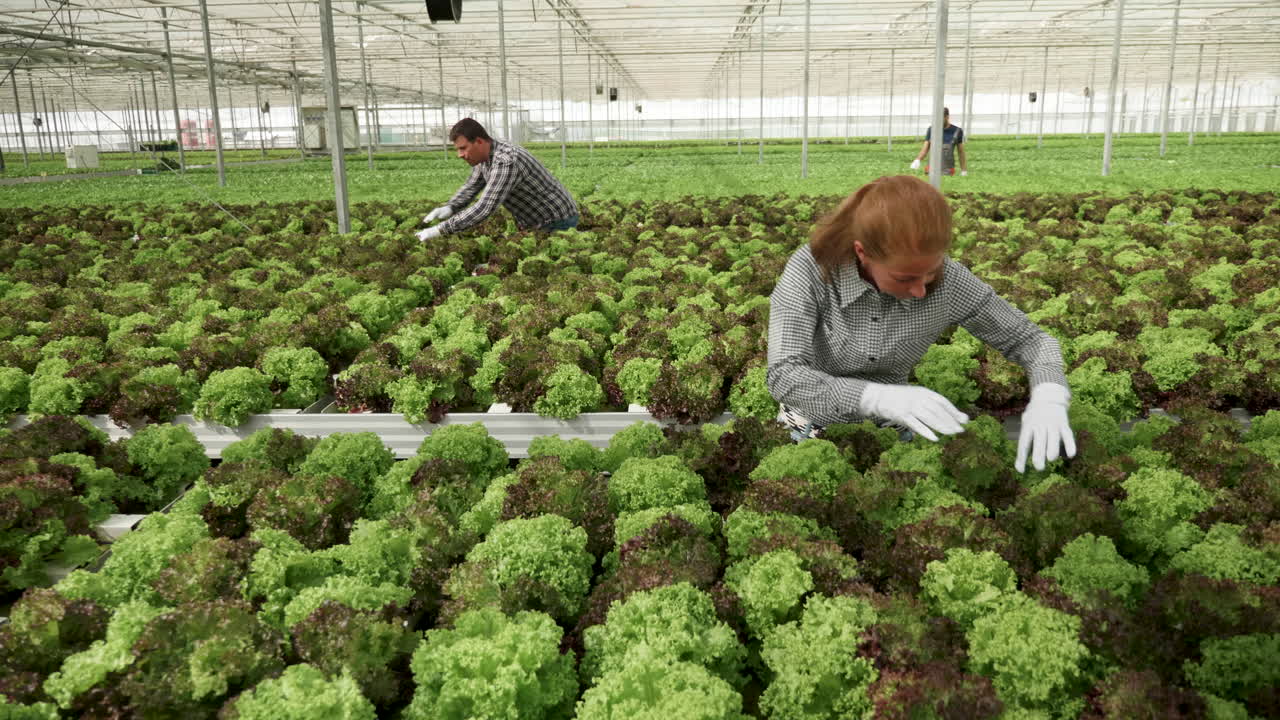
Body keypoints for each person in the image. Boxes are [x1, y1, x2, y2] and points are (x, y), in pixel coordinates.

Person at [767, 175, 1074, 473]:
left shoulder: (951, 281)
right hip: (808, 427)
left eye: (929, 273)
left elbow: (1029, 339)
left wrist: (1050, 393)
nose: (919, 291)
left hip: (896, 435)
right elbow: (784, 374)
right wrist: (875, 397)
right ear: (863, 253)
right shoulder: (811, 270)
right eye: (905, 278)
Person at [416, 118, 579, 242]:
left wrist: (440, 230)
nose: (460, 155)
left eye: (463, 148)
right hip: (535, 221)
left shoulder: (506, 161)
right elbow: (472, 185)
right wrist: (451, 206)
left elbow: (485, 207)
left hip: (556, 220)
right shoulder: (486, 157)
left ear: (479, 141)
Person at [909, 107, 967, 176]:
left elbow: (961, 152)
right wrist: (917, 160)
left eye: (940, 118)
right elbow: (925, 149)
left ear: (947, 117)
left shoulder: (957, 131)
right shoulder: (932, 129)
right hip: (931, 170)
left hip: (948, 170)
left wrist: (963, 170)